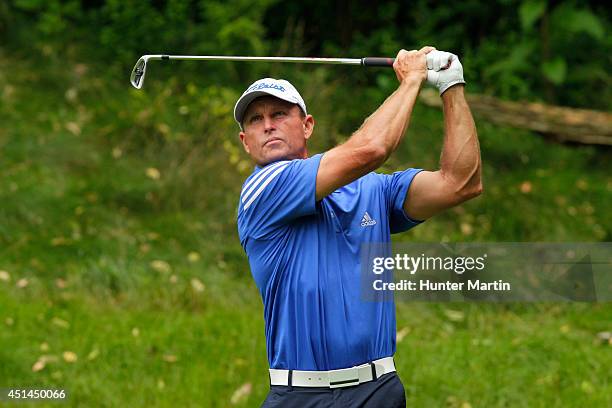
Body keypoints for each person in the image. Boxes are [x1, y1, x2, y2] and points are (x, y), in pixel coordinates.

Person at [234, 46, 482, 407]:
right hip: (301, 395)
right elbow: (372, 148)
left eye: (279, 113)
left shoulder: (373, 189)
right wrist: (412, 79)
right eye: (255, 120)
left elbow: (461, 182)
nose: (267, 124)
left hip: (378, 390)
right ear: (245, 142)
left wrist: (451, 85)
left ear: (307, 125)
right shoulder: (262, 190)